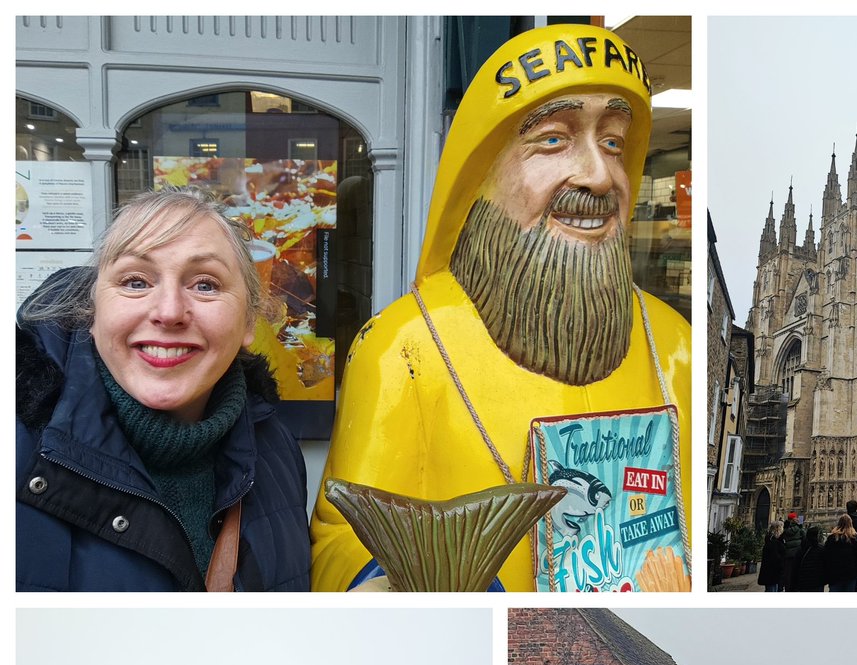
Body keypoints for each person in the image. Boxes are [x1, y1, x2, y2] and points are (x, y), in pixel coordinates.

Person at [311, 25, 691, 592]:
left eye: (613, 142)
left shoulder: (673, 341)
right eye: (554, 140)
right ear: (481, 173)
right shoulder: (403, 348)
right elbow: (342, 536)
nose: (597, 174)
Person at [16, 187, 310, 592]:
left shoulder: (275, 449)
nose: (169, 312)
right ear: (92, 312)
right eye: (136, 281)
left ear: (248, 323)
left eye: (205, 285)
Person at [820, 514, 857, 592]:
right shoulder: (854, 538)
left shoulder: (831, 538)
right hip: (850, 574)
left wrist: (826, 574)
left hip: (835, 575)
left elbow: (826, 557)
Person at [790, 524, 824, 592]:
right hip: (817, 584)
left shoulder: (801, 549)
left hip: (803, 583)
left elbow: (795, 568)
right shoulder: (821, 549)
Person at [757, 520, 786, 592]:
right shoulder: (773, 543)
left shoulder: (772, 540)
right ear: (778, 529)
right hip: (772, 575)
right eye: (782, 528)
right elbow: (776, 559)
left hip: (772, 575)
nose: (783, 530)